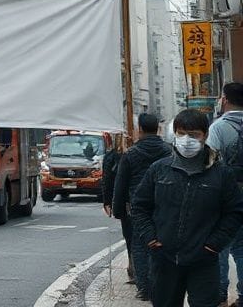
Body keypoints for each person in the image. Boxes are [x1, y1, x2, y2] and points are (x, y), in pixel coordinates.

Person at [133, 109, 243, 307]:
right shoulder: (159, 169)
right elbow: (140, 206)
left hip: (204, 260)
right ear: (174, 133)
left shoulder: (221, 174)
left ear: (205, 136)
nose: (187, 140)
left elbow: (234, 212)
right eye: (182, 133)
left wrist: (214, 244)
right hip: (164, 258)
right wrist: (150, 238)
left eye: (194, 135)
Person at [113, 113, 171, 301]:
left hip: (138, 207)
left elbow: (120, 185)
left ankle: (145, 288)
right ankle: (162, 284)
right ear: (158, 129)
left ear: (140, 130)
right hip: (164, 204)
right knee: (163, 244)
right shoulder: (169, 151)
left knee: (139, 245)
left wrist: (119, 210)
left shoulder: (131, 154)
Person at [204, 82, 243, 306]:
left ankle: (219, 295)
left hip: (224, 197)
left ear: (225, 100)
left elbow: (208, 162)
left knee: (218, 247)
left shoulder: (218, 127)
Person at [101, 134, 133, 284]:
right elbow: (107, 180)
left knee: (131, 235)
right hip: (127, 201)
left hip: (127, 202)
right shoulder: (114, 157)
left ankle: (135, 266)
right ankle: (134, 265)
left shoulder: (129, 155)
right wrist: (108, 201)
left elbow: (108, 180)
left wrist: (109, 202)